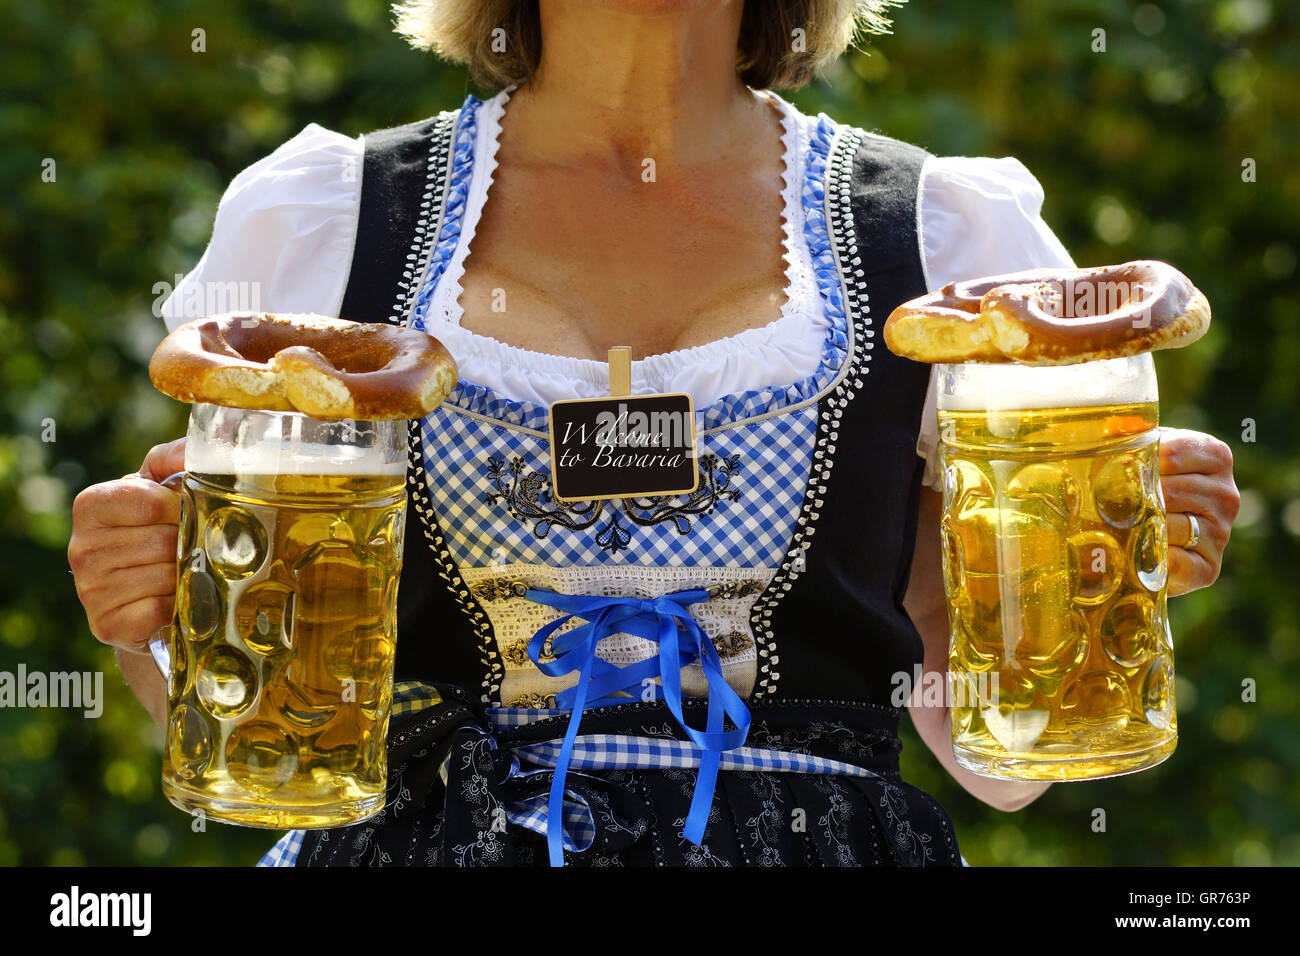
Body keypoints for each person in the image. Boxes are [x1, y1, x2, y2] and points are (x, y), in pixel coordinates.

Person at [69, 0, 1240, 867]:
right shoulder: (329, 218)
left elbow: (997, 757)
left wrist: (1095, 579)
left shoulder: (939, 237)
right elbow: (250, 727)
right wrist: (143, 616)